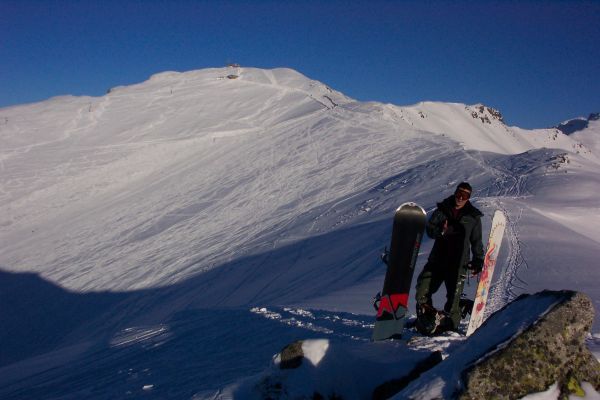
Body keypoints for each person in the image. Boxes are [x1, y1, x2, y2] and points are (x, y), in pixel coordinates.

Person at [415, 182, 484, 334]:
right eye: (459, 193)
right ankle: (429, 320)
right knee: (422, 292)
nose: (460, 197)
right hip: (437, 261)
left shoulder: (473, 217)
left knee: (453, 301)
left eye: (465, 195)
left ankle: (450, 327)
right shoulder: (442, 210)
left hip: (458, 264)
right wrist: (440, 230)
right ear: (455, 192)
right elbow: (430, 230)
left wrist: (478, 260)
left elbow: (476, 242)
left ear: (468, 198)